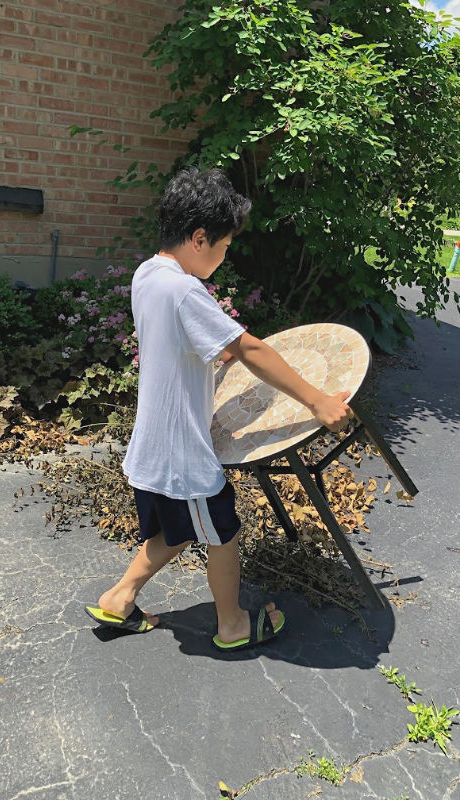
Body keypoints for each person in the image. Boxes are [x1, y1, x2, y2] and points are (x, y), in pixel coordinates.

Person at [85, 167, 352, 651]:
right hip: (183, 454)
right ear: (199, 236)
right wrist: (316, 399)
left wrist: (212, 349)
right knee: (222, 532)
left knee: (179, 528)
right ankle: (232, 626)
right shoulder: (186, 290)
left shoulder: (149, 273)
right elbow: (250, 348)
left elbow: (179, 341)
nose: (225, 257)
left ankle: (120, 598)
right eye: (225, 246)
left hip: (155, 446)